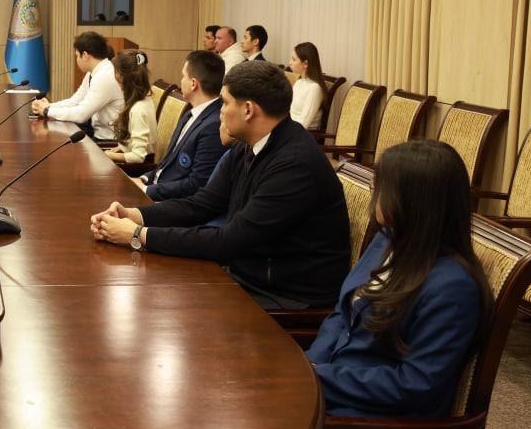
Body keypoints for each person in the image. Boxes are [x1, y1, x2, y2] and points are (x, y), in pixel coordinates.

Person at [89, 62, 349, 310]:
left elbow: (230, 241)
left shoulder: (294, 165)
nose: (220, 111)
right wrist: (134, 215)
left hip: (287, 294)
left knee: (166, 303)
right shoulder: (251, 145)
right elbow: (202, 204)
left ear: (248, 110)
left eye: (225, 102)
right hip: (250, 273)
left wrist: (137, 235)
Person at [307, 140, 491, 429]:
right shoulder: (388, 239)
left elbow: (414, 385)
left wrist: (319, 378)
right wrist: (311, 364)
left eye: (383, 188)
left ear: (413, 201)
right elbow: (342, 314)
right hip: (335, 396)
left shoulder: (452, 287)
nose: (376, 196)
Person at [133, 50, 227, 201]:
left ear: (193, 83)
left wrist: (146, 190)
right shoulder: (190, 113)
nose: (181, 81)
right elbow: (168, 163)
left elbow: (196, 184)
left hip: (172, 202)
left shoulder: (214, 125)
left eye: (183, 76)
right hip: (156, 187)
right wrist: (143, 179)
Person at [31, 32, 124, 140]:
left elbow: (81, 115)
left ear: (85, 55)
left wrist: (47, 111)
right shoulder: (94, 72)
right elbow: (75, 101)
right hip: (97, 134)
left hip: (109, 141)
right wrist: (49, 106)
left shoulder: (105, 76)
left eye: (76, 55)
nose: (77, 60)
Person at [105, 52, 158, 165]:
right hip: (134, 163)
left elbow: (138, 157)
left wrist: (109, 155)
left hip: (137, 169)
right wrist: (117, 150)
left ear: (122, 76)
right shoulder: (144, 99)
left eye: (115, 71)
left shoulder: (138, 110)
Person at [289, 41, 327, 131]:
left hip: (303, 135)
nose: (290, 62)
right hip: (291, 129)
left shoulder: (314, 88)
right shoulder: (299, 82)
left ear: (305, 63)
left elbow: (303, 124)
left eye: (294, 59)